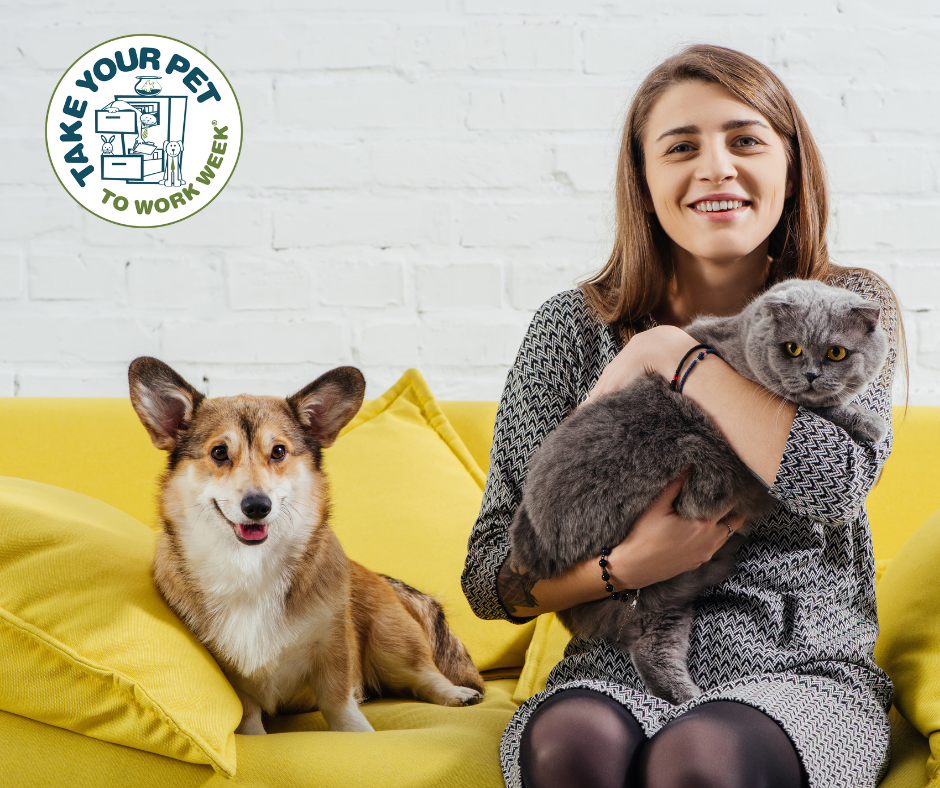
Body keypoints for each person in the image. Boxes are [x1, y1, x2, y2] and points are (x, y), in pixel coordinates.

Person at [461, 44, 901, 788]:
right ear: (644, 179)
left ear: (790, 167)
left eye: (746, 140)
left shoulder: (842, 309)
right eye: (681, 147)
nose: (717, 168)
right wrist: (623, 568)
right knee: (572, 748)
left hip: (800, 673)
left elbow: (834, 485)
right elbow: (489, 579)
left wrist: (676, 354)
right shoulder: (572, 330)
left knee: (696, 761)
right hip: (615, 664)